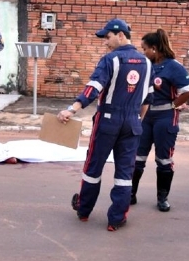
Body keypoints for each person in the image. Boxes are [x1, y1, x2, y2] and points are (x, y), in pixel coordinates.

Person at [57, 18, 154, 232]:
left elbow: (93, 89)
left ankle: (84, 210)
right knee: (124, 172)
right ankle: (116, 219)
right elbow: (147, 100)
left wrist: (71, 109)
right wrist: (137, 120)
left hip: (107, 121)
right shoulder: (147, 63)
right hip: (132, 123)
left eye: (108, 37)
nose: (105, 43)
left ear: (121, 35)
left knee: (93, 167)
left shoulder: (110, 60)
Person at [132, 28, 189, 212]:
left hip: (165, 118)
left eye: (145, 49)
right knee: (137, 157)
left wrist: (175, 105)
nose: (143, 52)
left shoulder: (173, 66)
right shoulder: (146, 64)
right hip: (145, 117)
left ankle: (162, 198)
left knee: (164, 160)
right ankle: (131, 194)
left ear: (154, 48)